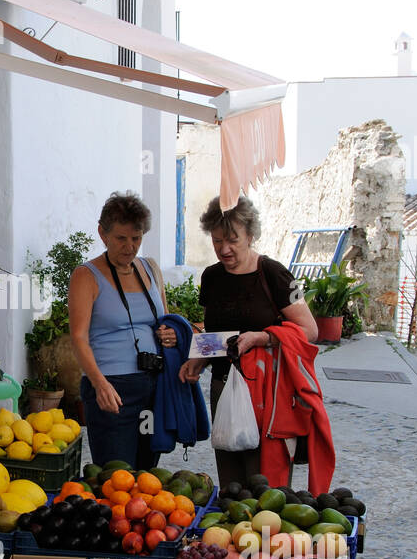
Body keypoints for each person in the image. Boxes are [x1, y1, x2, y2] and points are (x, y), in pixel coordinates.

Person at [178, 195, 320, 489]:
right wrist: (200, 358)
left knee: (264, 481)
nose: (224, 249)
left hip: (267, 391)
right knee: (231, 480)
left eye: (232, 240)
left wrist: (263, 337)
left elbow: (309, 330)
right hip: (224, 386)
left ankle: (269, 535)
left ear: (250, 236)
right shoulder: (212, 277)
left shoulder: (273, 274)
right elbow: (220, 331)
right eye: (217, 241)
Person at [68, 191, 177, 468]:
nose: (130, 247)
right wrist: (99, 383)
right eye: (121, 238)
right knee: (116, 473)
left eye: (136, 238)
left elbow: (164, 320)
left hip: (152, 386)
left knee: (147, 469)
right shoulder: (86, 275)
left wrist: (169, 334)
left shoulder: (149, 268)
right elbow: (79, 337)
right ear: (102, 234)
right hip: (112, 390)